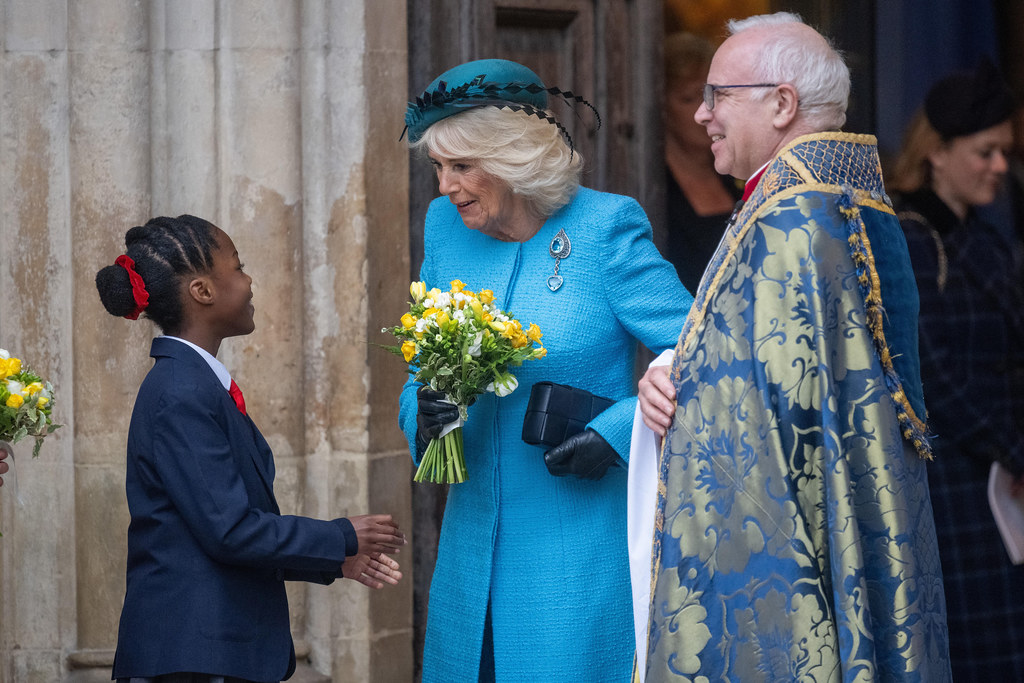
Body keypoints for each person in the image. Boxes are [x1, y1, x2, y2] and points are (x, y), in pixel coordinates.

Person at [633, 12, 951, 682]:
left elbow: (757, 433)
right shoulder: (849, 199)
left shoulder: (789, 219)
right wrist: (672, 371)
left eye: (718, 95)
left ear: (782, 104)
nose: (700, 114)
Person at [399, 59, 692, 681]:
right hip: (470, 548)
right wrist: (423, 412)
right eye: (438, 167)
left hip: (577, 545)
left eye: (462, 166)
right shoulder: (444, 229)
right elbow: (420, 364)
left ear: (512, 157)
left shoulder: (605, 228)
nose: (446, 186)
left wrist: (617, 434)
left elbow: (704, 352)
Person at [95, 215, 406, 683]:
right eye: (238, 268)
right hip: (192, 659)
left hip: (207, 655)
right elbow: (230, 530)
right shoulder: (181, 391)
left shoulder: (194, 384)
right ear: (202, 291)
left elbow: (216, 532)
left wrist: (335, 561)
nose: (249, 279)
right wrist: (341, 535)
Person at [888, 59, 1024, 681]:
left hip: (1004, 478)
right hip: (952, 485)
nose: (1000, 166)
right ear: (937, 152)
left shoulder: (986, 238)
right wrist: (1016, 448)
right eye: (987, 151)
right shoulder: (906, 239)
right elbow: (931, 375)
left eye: (1006, 152)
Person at [663, 32, 743, 293]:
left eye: (711, 95)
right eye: (688, 98)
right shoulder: (654, 186)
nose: (704, 112)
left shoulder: (736, 172)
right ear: (663, 109)